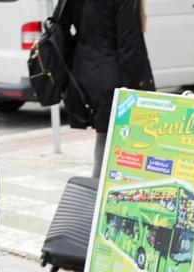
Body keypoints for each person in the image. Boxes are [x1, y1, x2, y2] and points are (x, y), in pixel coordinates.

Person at [58, 0, 155, 177]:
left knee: (104, 142)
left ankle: (98, 195)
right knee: (119, 149)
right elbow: (129, 46)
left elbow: (61, 25)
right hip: (115, 79)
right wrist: (137, 94)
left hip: (86, 72)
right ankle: (99, 198)